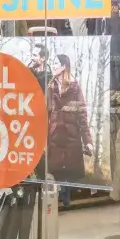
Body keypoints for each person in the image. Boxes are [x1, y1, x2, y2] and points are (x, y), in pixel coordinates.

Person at [46, 54, 93, 183]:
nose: (53, 66)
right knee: (56, 176)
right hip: (54, 139)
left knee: (71, 178)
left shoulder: (75, 88)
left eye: (56, 63)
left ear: (63, 66)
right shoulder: (50, 88)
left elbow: (82, 115)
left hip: (72, 138)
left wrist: (87, 140)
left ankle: (67, 200)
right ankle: (60, 200)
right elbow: (45, 115)